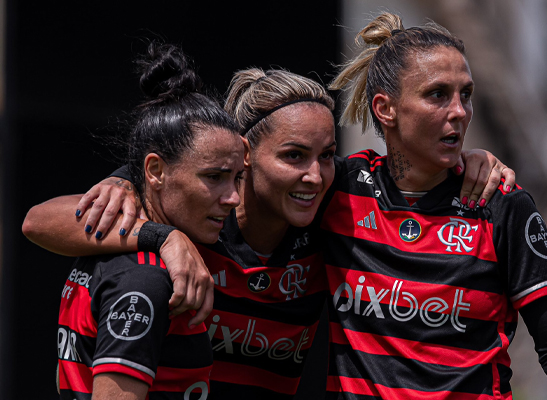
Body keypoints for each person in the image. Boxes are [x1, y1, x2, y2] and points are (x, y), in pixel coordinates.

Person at [24, 60, 515, 398]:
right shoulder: (195, 218)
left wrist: (467, 163)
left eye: (326, 156)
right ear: (244, 155)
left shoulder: (330, 215)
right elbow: (37, 222)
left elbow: (407, 183)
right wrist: (154, 224)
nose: (314, 175)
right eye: (293, 156)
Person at [319, 12, 547, 399]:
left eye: (466, 94)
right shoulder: (336, 191)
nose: (459, 111)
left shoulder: (501, 204)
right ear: (385, 109)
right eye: (438, 94)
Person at [23, 42, 246, 399]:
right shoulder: (145, 281)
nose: (233, 197)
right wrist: (166, 237)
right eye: (214, 177)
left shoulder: (109, 236)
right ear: (155, 171)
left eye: (237, 177)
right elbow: (34, 221)